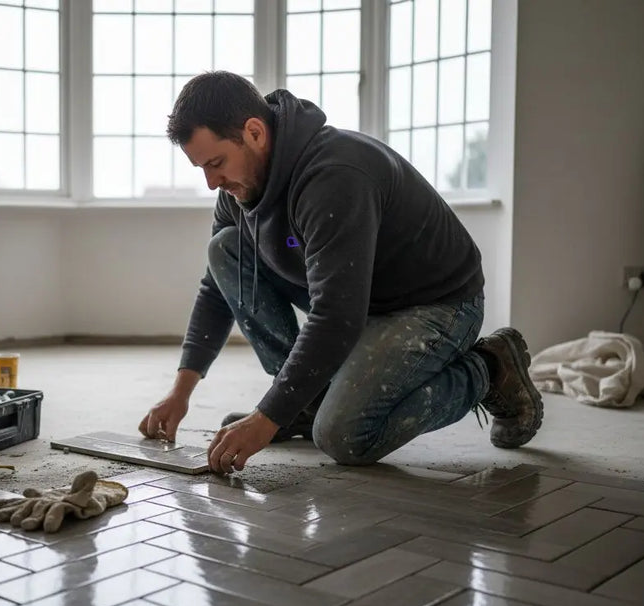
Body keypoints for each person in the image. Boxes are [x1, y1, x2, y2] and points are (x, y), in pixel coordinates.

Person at [138, 71, 543, 475]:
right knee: (224, 249)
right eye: (201, 169)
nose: (211, 183)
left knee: (345, 436)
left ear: (255, 132)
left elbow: (337, 317)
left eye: (216, 163)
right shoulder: (242, 189)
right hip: (356, 299)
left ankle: (489, 369)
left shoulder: (335, 176)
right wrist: (180, 392)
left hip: (435, 304)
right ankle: (307, 403)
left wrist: (266, 418)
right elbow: (218, 287)